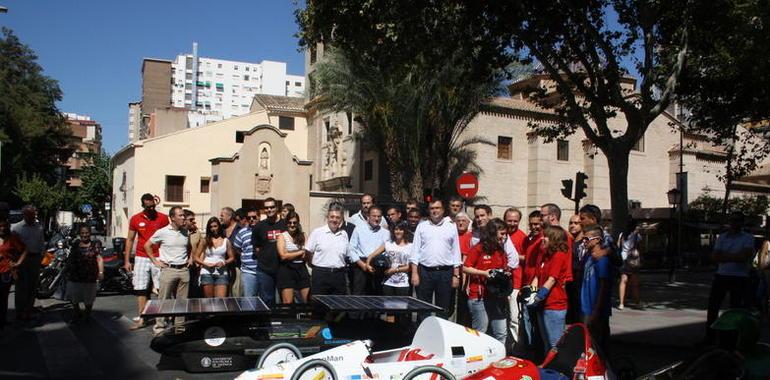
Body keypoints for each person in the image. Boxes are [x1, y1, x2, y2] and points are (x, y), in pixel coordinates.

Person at [705, 211, 755, 343]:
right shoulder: (722, 237)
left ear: (742, 223)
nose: (734, 223)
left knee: (735, 307)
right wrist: (734, 256)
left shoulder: (748, 238)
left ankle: (732, 338)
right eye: (732, 220)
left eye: (737, 220)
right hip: (721, 275)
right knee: (713, 306)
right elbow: (715, 257)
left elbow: (744, 257)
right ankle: (710, 337)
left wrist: (725, 256)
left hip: (740, 277)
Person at [410, 199, 462, 319]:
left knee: (443, 308)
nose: (435, 211)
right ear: (429, 210)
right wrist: (414, 273)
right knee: (423, 307)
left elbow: (456, 252)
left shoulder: (451, 227)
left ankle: (440, 334)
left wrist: (456, 275)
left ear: (443, 210)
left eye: (437, 208)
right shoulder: (422, 226)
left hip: (445, 272)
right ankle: (424, 333)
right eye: (432, 208)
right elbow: (415, 251)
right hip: (425, 272)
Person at [464, 218, 511, 344]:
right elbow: (465, 268)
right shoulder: (478, 248)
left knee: (501, 332)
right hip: (479, 296)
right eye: (502, 233)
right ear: (493, 232)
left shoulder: (501, 250)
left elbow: (504, 268)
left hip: (497, 296)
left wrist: (505, 274)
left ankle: (499, 360)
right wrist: (484, 273)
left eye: (506, 234)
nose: (504, 236)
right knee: (480, 332)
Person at [125, 194, 169, 329]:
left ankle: (161, 318)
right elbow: (130, 239)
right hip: (141, 256)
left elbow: (168, 236)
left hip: (158, 256)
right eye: (148, 207)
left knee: (161, 289)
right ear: (143, 205)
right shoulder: (135, 219)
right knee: (141, 288)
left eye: (153, 206)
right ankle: (142, 319)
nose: (151, 209)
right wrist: (127, 260)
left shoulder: (162, 218)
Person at [146, 206, 192, 335]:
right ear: (172, 218)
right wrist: (155, 261)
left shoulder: (185, 232)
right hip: (169, 270)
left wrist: (191, 258)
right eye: (181, 215)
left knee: (182, 302)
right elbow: (147, 245)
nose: (184, 218)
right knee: (163, 300)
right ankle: (159, 326)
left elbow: (189, 247)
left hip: (183, 270)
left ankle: (179, 328)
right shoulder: (163, 232)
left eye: (183, 215)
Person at [528, 225, 571, 352]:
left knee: (555, 343)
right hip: (543, 304)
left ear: (554, 239)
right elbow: (537, 276)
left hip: (554, 305)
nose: (543, 239)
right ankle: (548, 368)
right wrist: (530, 294)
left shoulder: (558, 255)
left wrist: (539, 296)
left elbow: (552, 279)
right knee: (546, 341)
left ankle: (557, 369)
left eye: (546, 236)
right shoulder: (545, 256)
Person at [367, 222, 413, 323]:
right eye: (396, 229)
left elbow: (410, 267)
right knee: (390, 311)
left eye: (400, 229)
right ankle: (390, 332)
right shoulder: (388, 244)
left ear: (404, 231)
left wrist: (395, 270)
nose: (398, 231)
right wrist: (368, 264)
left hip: (403, 283)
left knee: (401, 311)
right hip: (388, 283)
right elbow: (372, 255)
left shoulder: (411, 246)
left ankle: (400, 333)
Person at [579, 224, 612, 353]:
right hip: (585, 307)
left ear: (597, 239)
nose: (584, 242)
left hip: (596, 309)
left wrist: (596, 311)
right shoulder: (589, 257)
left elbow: (603, 287)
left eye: (587, 239)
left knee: (598, 346)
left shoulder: (602, 261)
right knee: (588, 343)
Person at [11, 205, 45, 321]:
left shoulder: (39, 227)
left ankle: (29, 310)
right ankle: (19, 311)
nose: (33, 217)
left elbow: (41, 243)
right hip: (21, 260)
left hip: (35, 259)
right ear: (24, 215)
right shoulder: (16, 228)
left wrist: (41, 256)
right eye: (30, 215)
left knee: (32, 286)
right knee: (21, 286)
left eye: (34, 215)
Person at [306, 207, 350, 296]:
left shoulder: (344, 234)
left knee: (337, 305)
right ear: (327, 217)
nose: (334, 220)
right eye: (332, 217)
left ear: (341, 219)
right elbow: (308, 252)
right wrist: (313, 265)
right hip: (320, 275)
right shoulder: (317, 232)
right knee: (319, 306)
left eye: (337, 217)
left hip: (339, 275)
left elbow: (346, 255)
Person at [66, 225, 104, 324]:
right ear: (79, 234)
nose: (84, 235)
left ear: (90, 233)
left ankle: (87, 316)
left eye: (86, 233)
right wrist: (68, 268)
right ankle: (76, 313)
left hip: (90, 275)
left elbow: (99, 258)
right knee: (74, 297)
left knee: (89, 298)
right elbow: (71, 257)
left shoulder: (95, 244)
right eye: (82, 233)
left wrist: (101, 272)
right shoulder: (76, 244)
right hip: (75, 275)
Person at [348, 206, 390, 295]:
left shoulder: (386, 233)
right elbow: (351, 249)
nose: (376, 218)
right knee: (359, 296)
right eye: (374, 216)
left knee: (376, 296)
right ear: (368, 216)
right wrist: (362, 265)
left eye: (379, 216)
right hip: (361, 266)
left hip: (378, 267)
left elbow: (387, 251)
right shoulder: (359, 229)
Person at [251, 197, 286, 305]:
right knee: (267, 300)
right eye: (266, 208)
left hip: (283, 268)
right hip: (265, 270)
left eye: (272, 207)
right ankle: (268, 322)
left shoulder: (285, 224)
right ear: (264, 210)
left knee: (284, 301)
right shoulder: (259, 226)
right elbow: (256, 247)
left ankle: (283, 322)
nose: (269, 209)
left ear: (277, 208)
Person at [194, 217, 235, 298]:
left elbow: (232, 257)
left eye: (215, 226)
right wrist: (205, 264)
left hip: (222, 273)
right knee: (209, 302)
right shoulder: (205, 240)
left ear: (219, 226)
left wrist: (224, 262)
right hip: (207, 273)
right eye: (211, 227)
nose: (213, 228)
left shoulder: (226, 241)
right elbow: (196, 257)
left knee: (220, 301)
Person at [277, 211, 311, 303]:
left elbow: (306, 254)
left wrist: (290, 254)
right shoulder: (282, 236)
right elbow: (283, 256)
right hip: (287, 270)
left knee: (308, 301)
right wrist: (300, 252)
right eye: (290, 222)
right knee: (287, 304)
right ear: (286, 223)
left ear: (298, 223)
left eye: (294, 222)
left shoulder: (303, 235)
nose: (292, 225)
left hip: (301, 269)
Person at [521, 210, 544, 345]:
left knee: (535, 320)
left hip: (536, 286)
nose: (534, 227)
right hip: (527, 283)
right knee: (527, 318)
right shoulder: (530, 239)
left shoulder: (543, 239)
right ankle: (531, 347)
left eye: (537, 224)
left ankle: (536, 349)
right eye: (531, 224)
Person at [504, 207, 527, 344]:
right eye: (509, 220)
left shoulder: (522, 237)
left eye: (515, 221)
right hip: (501, 283)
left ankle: (517, 346)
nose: (512, 223)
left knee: (514, 317)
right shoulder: (501, 233)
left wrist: (513, 256)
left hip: (516, 282)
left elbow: (528, 258)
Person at [0, 220, 27, 331]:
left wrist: (18, 262)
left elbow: (25, 249)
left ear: (8, 227)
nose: (2, 228)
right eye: (0, 226)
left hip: (5, 271)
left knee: (2, 297)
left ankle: (2, 321)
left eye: (4, 226)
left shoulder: (12, 238)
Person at [618, 219, 642, 310]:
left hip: (624, 259)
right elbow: (640, 247)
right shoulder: (637, 236)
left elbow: (618, 245)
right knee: (634, 282)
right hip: (633, 260)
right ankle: (637, 302)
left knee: (623, 280)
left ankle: (621, 303)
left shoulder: (622, 235)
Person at [454, 212, 473, 326]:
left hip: (466, 275)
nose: (460, 223)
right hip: (453, 274)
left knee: (464, 305)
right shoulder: (452, 234)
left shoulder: (471, 236)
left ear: (468, 222)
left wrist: (466, 281)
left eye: (463, 221)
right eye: (458, 221)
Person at [184, 210, 203, 299]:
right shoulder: (178, 232)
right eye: (191, 220)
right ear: (184, 220)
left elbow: (202, 248)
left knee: (194, 293)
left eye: (194, 219)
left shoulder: (197, 232)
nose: (194, 221)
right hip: (182, 267)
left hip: (194, 268)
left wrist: (200, 263)